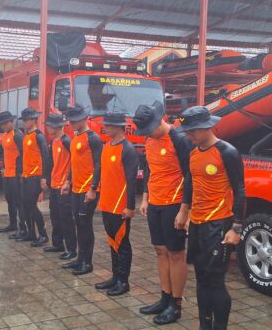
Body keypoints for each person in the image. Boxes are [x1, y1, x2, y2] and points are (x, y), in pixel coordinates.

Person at [175, 106, 246, 330]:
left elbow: (240, 190)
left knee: (215, 280)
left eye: (194, 130)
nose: (190, 135)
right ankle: (204, 324)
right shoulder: (193, 153)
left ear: (209, 126)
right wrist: (184, 210)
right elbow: (190, 181)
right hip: (196, 223)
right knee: (201, 277)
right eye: (188, 131)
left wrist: (236, 227)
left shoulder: (227, 152)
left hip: (219, 224)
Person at [133, 101, 194, 325]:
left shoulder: (179, 139)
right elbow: (150, 169)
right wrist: (146, 198)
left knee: (175, 253)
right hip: (156, 203)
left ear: (160, 120)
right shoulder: (150, 140)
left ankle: (176, 304)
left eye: (150, 128)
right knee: (160, 250)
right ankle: (164, 297)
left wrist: (185, 211)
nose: (148, 134)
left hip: (174, 204)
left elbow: (190, 175)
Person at [94, 112, 138, 297]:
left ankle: (123, 281)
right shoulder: (106, 146)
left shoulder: (127, 149)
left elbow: (131, 180)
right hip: (107, 203)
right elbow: (101, 170)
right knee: (112, 241)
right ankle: (115, 277)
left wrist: (130, 206)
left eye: (109, 125)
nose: (106, 128)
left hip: (120, 206)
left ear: (120, 127)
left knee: (122, 243)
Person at [60, 105, 102, 276]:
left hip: (88, 189)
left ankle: (87, 262)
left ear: (83, 119)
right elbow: (73, 163)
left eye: (74, 121)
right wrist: (68, 181)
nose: (71, 124)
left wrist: (93, 188)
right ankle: (80, 258)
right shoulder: (76, 137)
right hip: (76, 188)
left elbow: (99, 164)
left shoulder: (93, 138)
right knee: (78, 222)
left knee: (85, 224)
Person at [18, 107, 50, 247]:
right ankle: (31, 233)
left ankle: (43, 234)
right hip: (26, 175)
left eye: (27, 120)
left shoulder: (39, 136)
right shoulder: (26, 136)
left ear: (33, 120)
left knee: (31, 205)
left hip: (35, 177)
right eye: (23, 120)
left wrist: (44, 177)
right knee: (25, 205)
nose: (24, 122)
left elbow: (45, 156)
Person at [43, 113, 73, 256]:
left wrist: (68, 180)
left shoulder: (66, 141)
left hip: (64, 186)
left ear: (56, 126)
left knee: (66, 218)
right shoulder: (53, 142)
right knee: (55, 215)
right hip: (54, 185)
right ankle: (57, 244)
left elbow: (75, 162)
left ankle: (71, 249)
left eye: (49, 125)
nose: (47, 128)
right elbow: (51, 163)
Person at [0, 111, 26, 238]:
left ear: (11, 122)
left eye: (4, 124)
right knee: (10, 200)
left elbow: (24, 154)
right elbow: (5, 154)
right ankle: (12, 224)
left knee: (19, 201)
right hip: (7, 173)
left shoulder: (18, 135)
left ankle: (23, 228)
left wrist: (21, 172)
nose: (2, 126)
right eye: (1, 124)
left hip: (16, 174)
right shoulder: (4, 135)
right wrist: (3, 167)